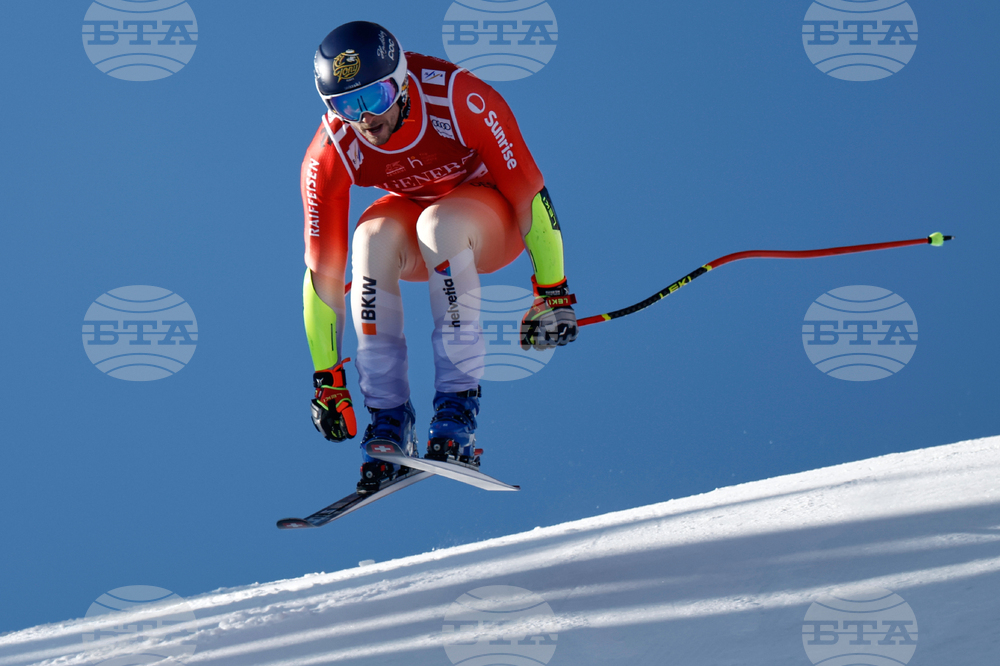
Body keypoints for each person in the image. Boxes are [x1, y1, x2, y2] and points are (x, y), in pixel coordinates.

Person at [301, 21, 577, 495]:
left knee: (440, 224)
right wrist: (327, 379)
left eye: (377, 97)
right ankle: (388, 420)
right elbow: (322, 272)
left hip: (489, 218)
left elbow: (529, 194)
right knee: (370, 239)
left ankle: (457, 410)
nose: (365, 118)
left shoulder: (457, 98)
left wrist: (552, 291)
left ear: (402, 82)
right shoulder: (331, 150)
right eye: (347, 105)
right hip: (416, 213)